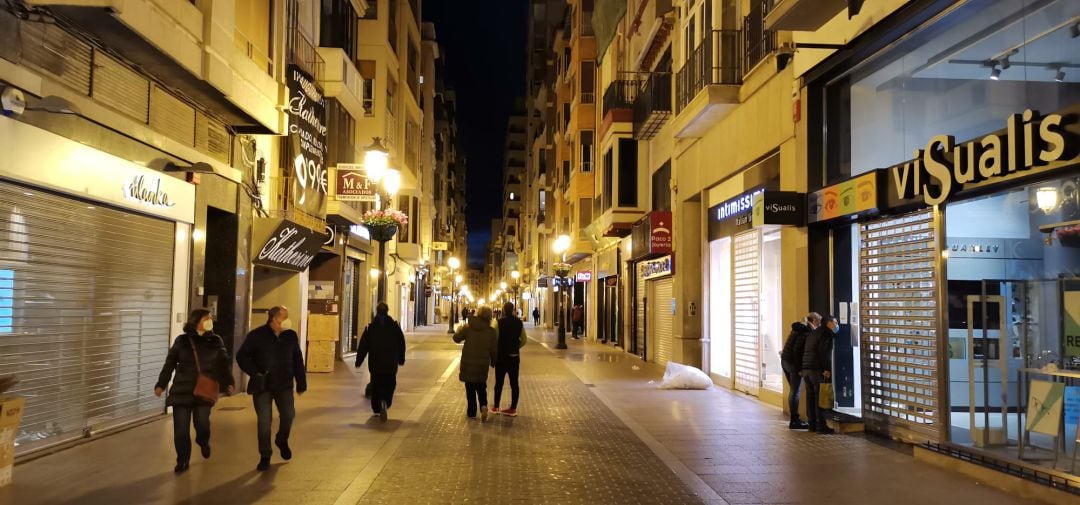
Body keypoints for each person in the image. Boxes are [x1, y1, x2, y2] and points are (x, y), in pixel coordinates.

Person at [155, 309, 234, 473]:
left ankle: (203, 441)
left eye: (211, 318)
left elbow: (223, 364)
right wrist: (161, 384)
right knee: (181, 430)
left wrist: (228, 383)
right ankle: (183, 460)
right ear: (196, 321)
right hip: (182, 390)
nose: (210, 321)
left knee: (202, 423)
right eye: (207, 318)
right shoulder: (182, 341)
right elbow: (170, 363)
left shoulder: (215, 340)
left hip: (204, 391)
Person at [237, 306, 308, 471]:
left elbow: (297, 358)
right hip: (263, 386)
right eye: (284, 317)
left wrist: (301, 381)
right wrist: (255, 372)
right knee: (264, 422)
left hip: (284, 385)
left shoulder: (290, 336)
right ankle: (265, 455)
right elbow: (241, 356)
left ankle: (281, 439)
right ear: (274, 318)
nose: (287, 320)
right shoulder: (257, 335)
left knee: (288, 416)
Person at [355, 302, 407, 422]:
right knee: (390, 384)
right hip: (390, 364)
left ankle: (377, 407)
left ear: (377, 312)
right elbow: (401, 343)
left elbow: (363, 346)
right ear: (387, 311)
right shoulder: (394, 327)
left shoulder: (371, 328)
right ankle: (386, 401)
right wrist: (401, 358)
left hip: (375, 364)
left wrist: (359, 361)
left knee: (376, 385)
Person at [453, 306, 497, 421]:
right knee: (481, 387)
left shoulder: (468, 327)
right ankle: (483, 406)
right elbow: (494, 349)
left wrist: (459, 329)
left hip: (468, 363)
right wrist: (493, 361)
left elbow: (456, 338)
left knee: (470, 388)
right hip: (482, 365)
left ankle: (472, 412)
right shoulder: (491, 331)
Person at [780, 312, 820, 430]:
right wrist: (799, 369)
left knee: (793, 391)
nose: (819, 324)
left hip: (786, 361)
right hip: (792, 364)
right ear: (813, 321)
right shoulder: (805, 332)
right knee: (795, 391)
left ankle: (795, 418)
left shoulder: (799, 329)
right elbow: (797, 351)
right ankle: (794, 420)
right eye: (818, 321)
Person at [801, 315, 838, 434]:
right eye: (835, 322)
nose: (837, 325)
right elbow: (824, 353)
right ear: (829, 323)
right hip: (816, 370)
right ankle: (821, 426)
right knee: (819, 398)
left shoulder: (814, 333)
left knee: (810, 397)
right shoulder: (827, 334)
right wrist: (826, 369)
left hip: (806, 369)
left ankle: (812, 425)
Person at [492, 302, 527, 417]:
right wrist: (515, 347)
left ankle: (496, 406)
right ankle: (513, 408)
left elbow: (495, 338)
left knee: (499, 383)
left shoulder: (499, 322)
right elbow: (524, 340)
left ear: (503, 310)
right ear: (513, 310)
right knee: (514, 383)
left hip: (501, 357)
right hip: (514, 357)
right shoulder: (519, 323)